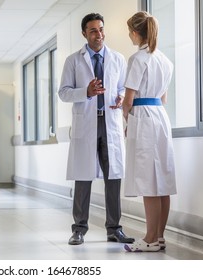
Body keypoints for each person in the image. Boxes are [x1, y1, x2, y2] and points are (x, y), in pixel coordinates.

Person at [58, 12, 134, 245]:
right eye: (93, 30)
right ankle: (79, 228)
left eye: (101, 29)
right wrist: (86, 92)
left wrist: (121, 97)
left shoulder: (118, 58)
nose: (98, 34)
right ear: (84, 33)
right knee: (83, 177)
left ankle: (114, 228)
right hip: (87, 123)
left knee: (114, 177)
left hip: (109, 122)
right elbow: (64, 92)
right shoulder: (73, 60)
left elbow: (122, 87)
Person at [122, 11, 177, 252]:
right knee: (161, 180)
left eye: (129, 31)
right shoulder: (165, 60)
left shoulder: (137, 59)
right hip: (160, 118)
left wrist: (126, 119)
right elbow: (162, 98)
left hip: (143, 119)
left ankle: (149, 238)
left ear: (135, 32)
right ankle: (160, 237)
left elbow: (129, 99)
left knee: (148, 182)